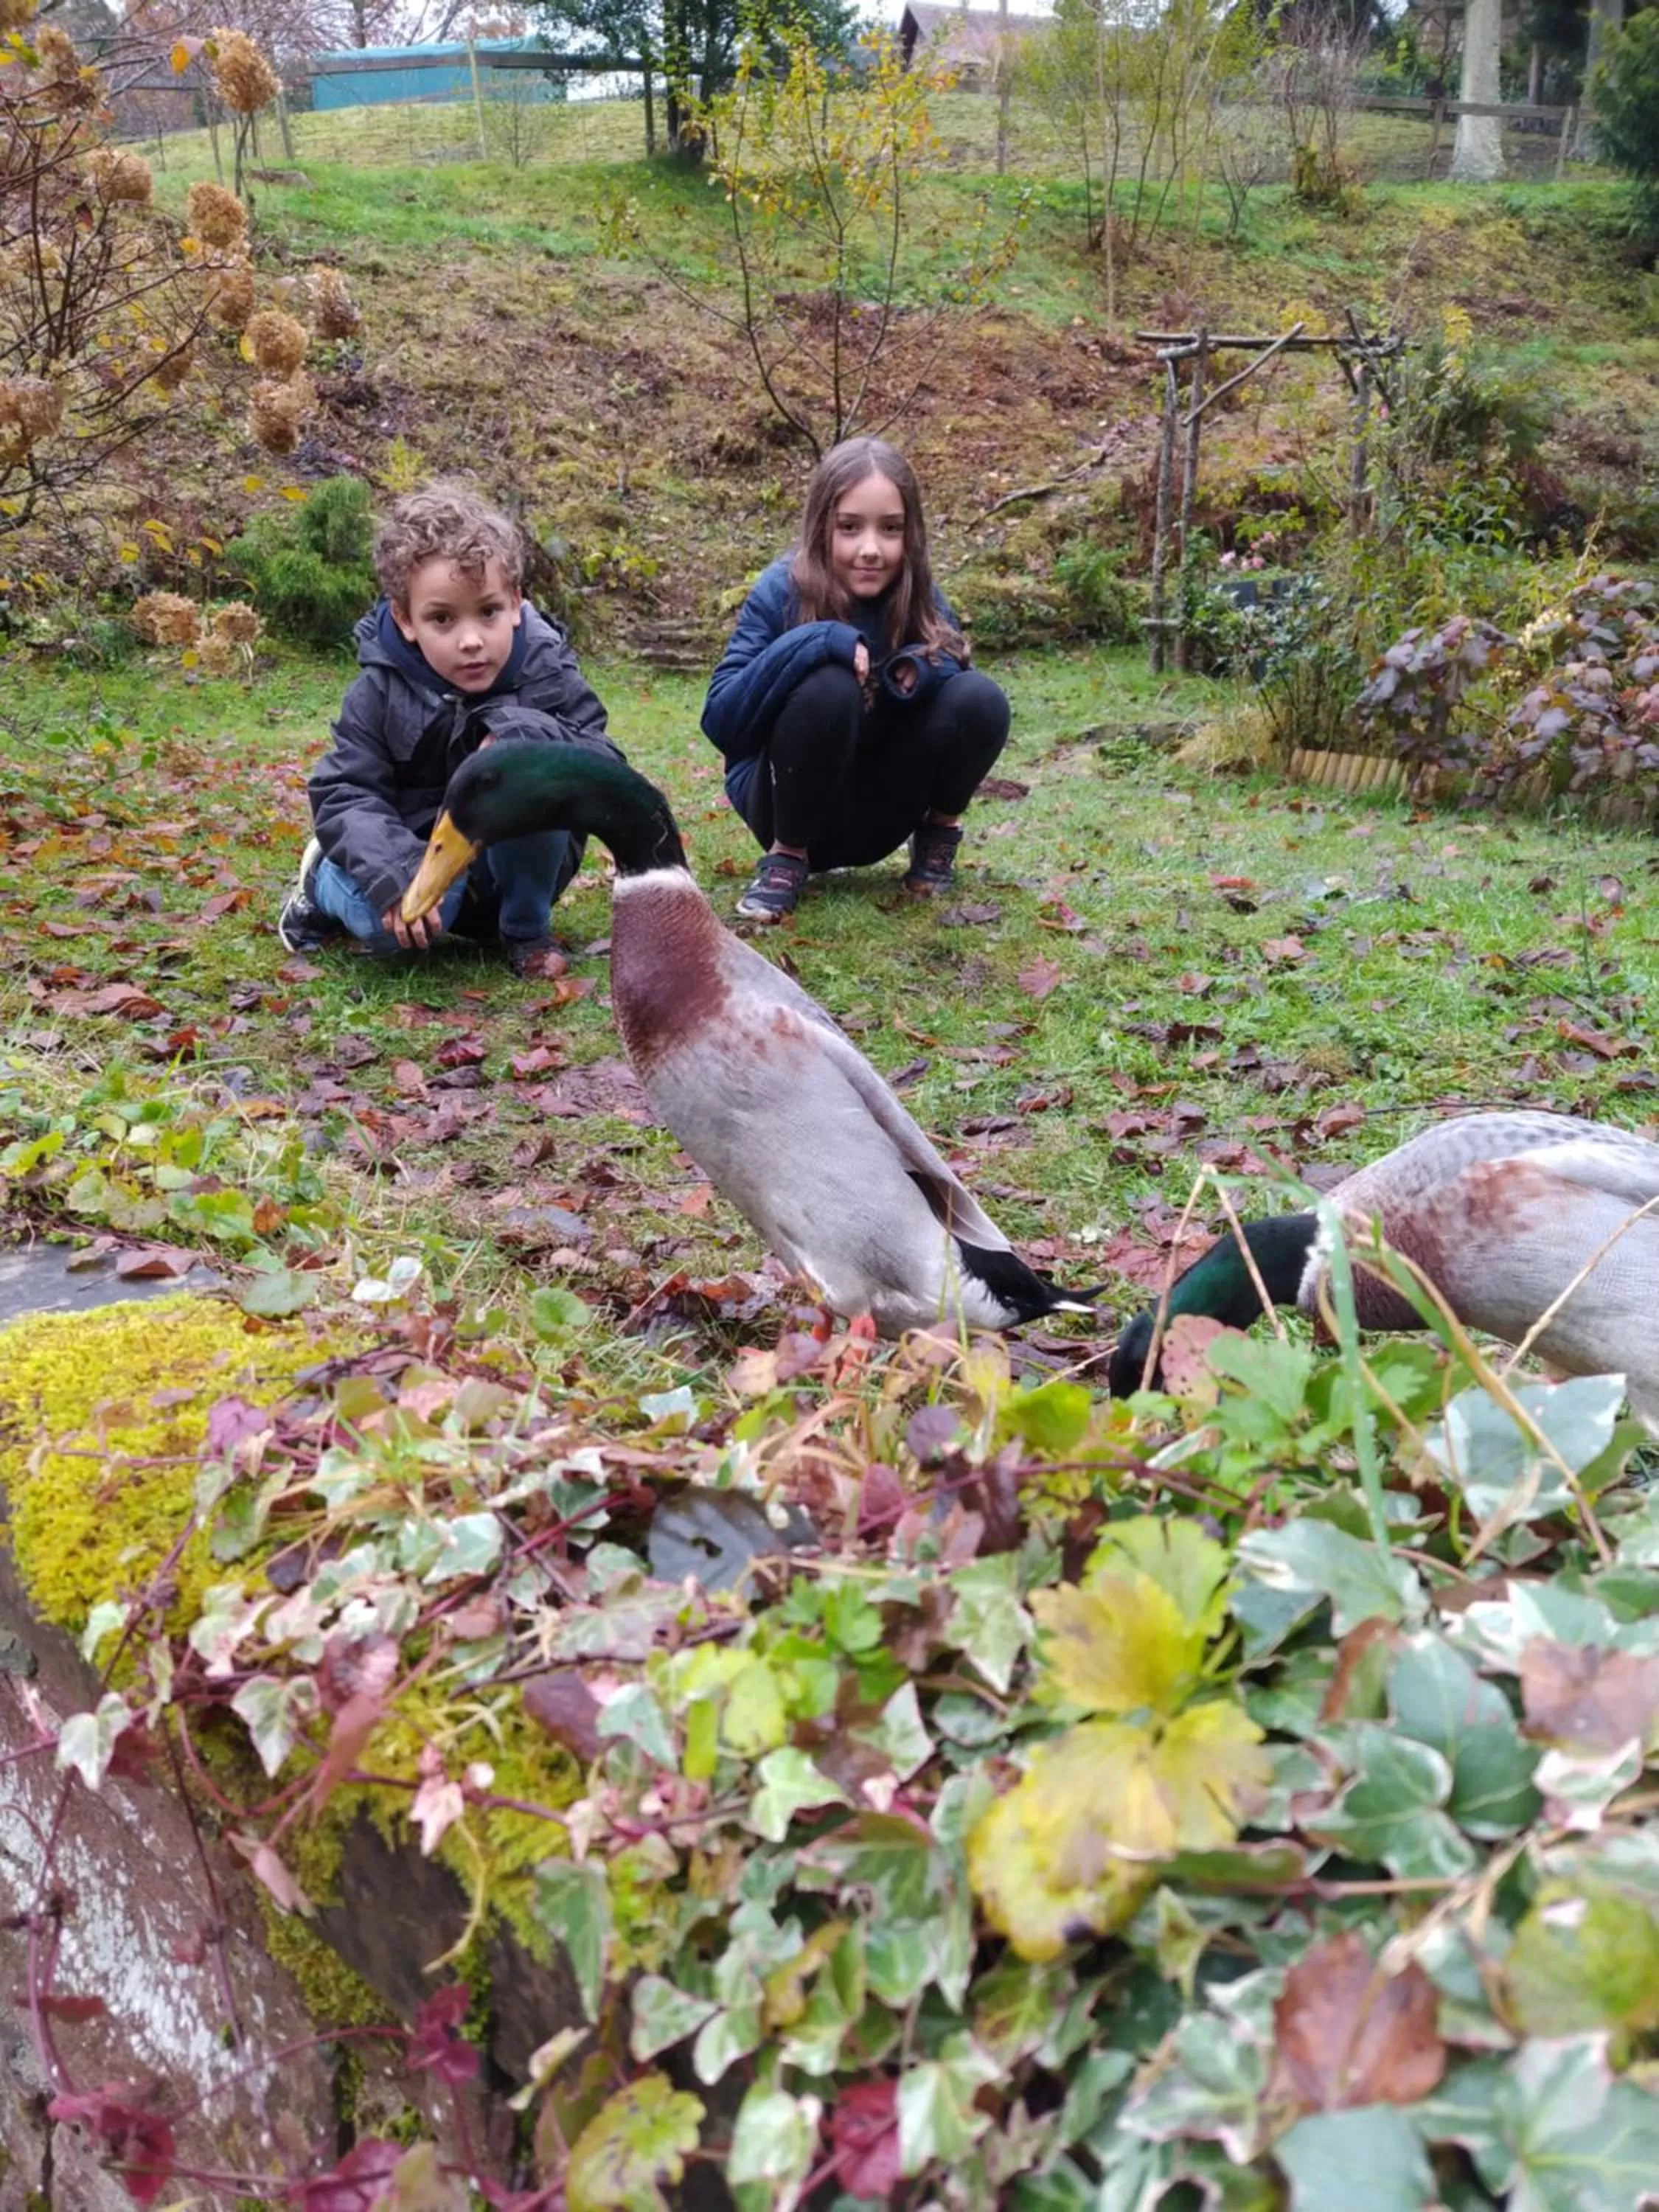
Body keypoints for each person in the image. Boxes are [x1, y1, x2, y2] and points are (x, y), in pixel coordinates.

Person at [277, 481, 619, 979]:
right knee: (389, 932)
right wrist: (394, 874)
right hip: (411, 857)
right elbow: (344, 790)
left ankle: (525, 929)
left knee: (528, 761)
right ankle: (320, 885)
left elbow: (607, 766)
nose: (472, 641)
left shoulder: (549, 671)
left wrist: (524, 740)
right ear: (406, 619)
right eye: (442, 619)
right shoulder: (378, 689)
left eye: (488, 611)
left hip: (507, 870)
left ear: (517, 602)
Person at [701, 436, 1012, 924]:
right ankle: (786, 860)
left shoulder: (917, 590)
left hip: (881, 809)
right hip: (782, 805)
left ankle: (938, 836)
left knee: (981, 697)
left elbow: (953, 653)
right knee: (827, 683)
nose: (871, 549)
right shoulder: (780, 588)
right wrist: (818, 641)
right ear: (821, 525)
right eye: (850, 527)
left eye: (890, 529)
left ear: (910, 534)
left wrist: (914, 669)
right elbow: (722, 724)